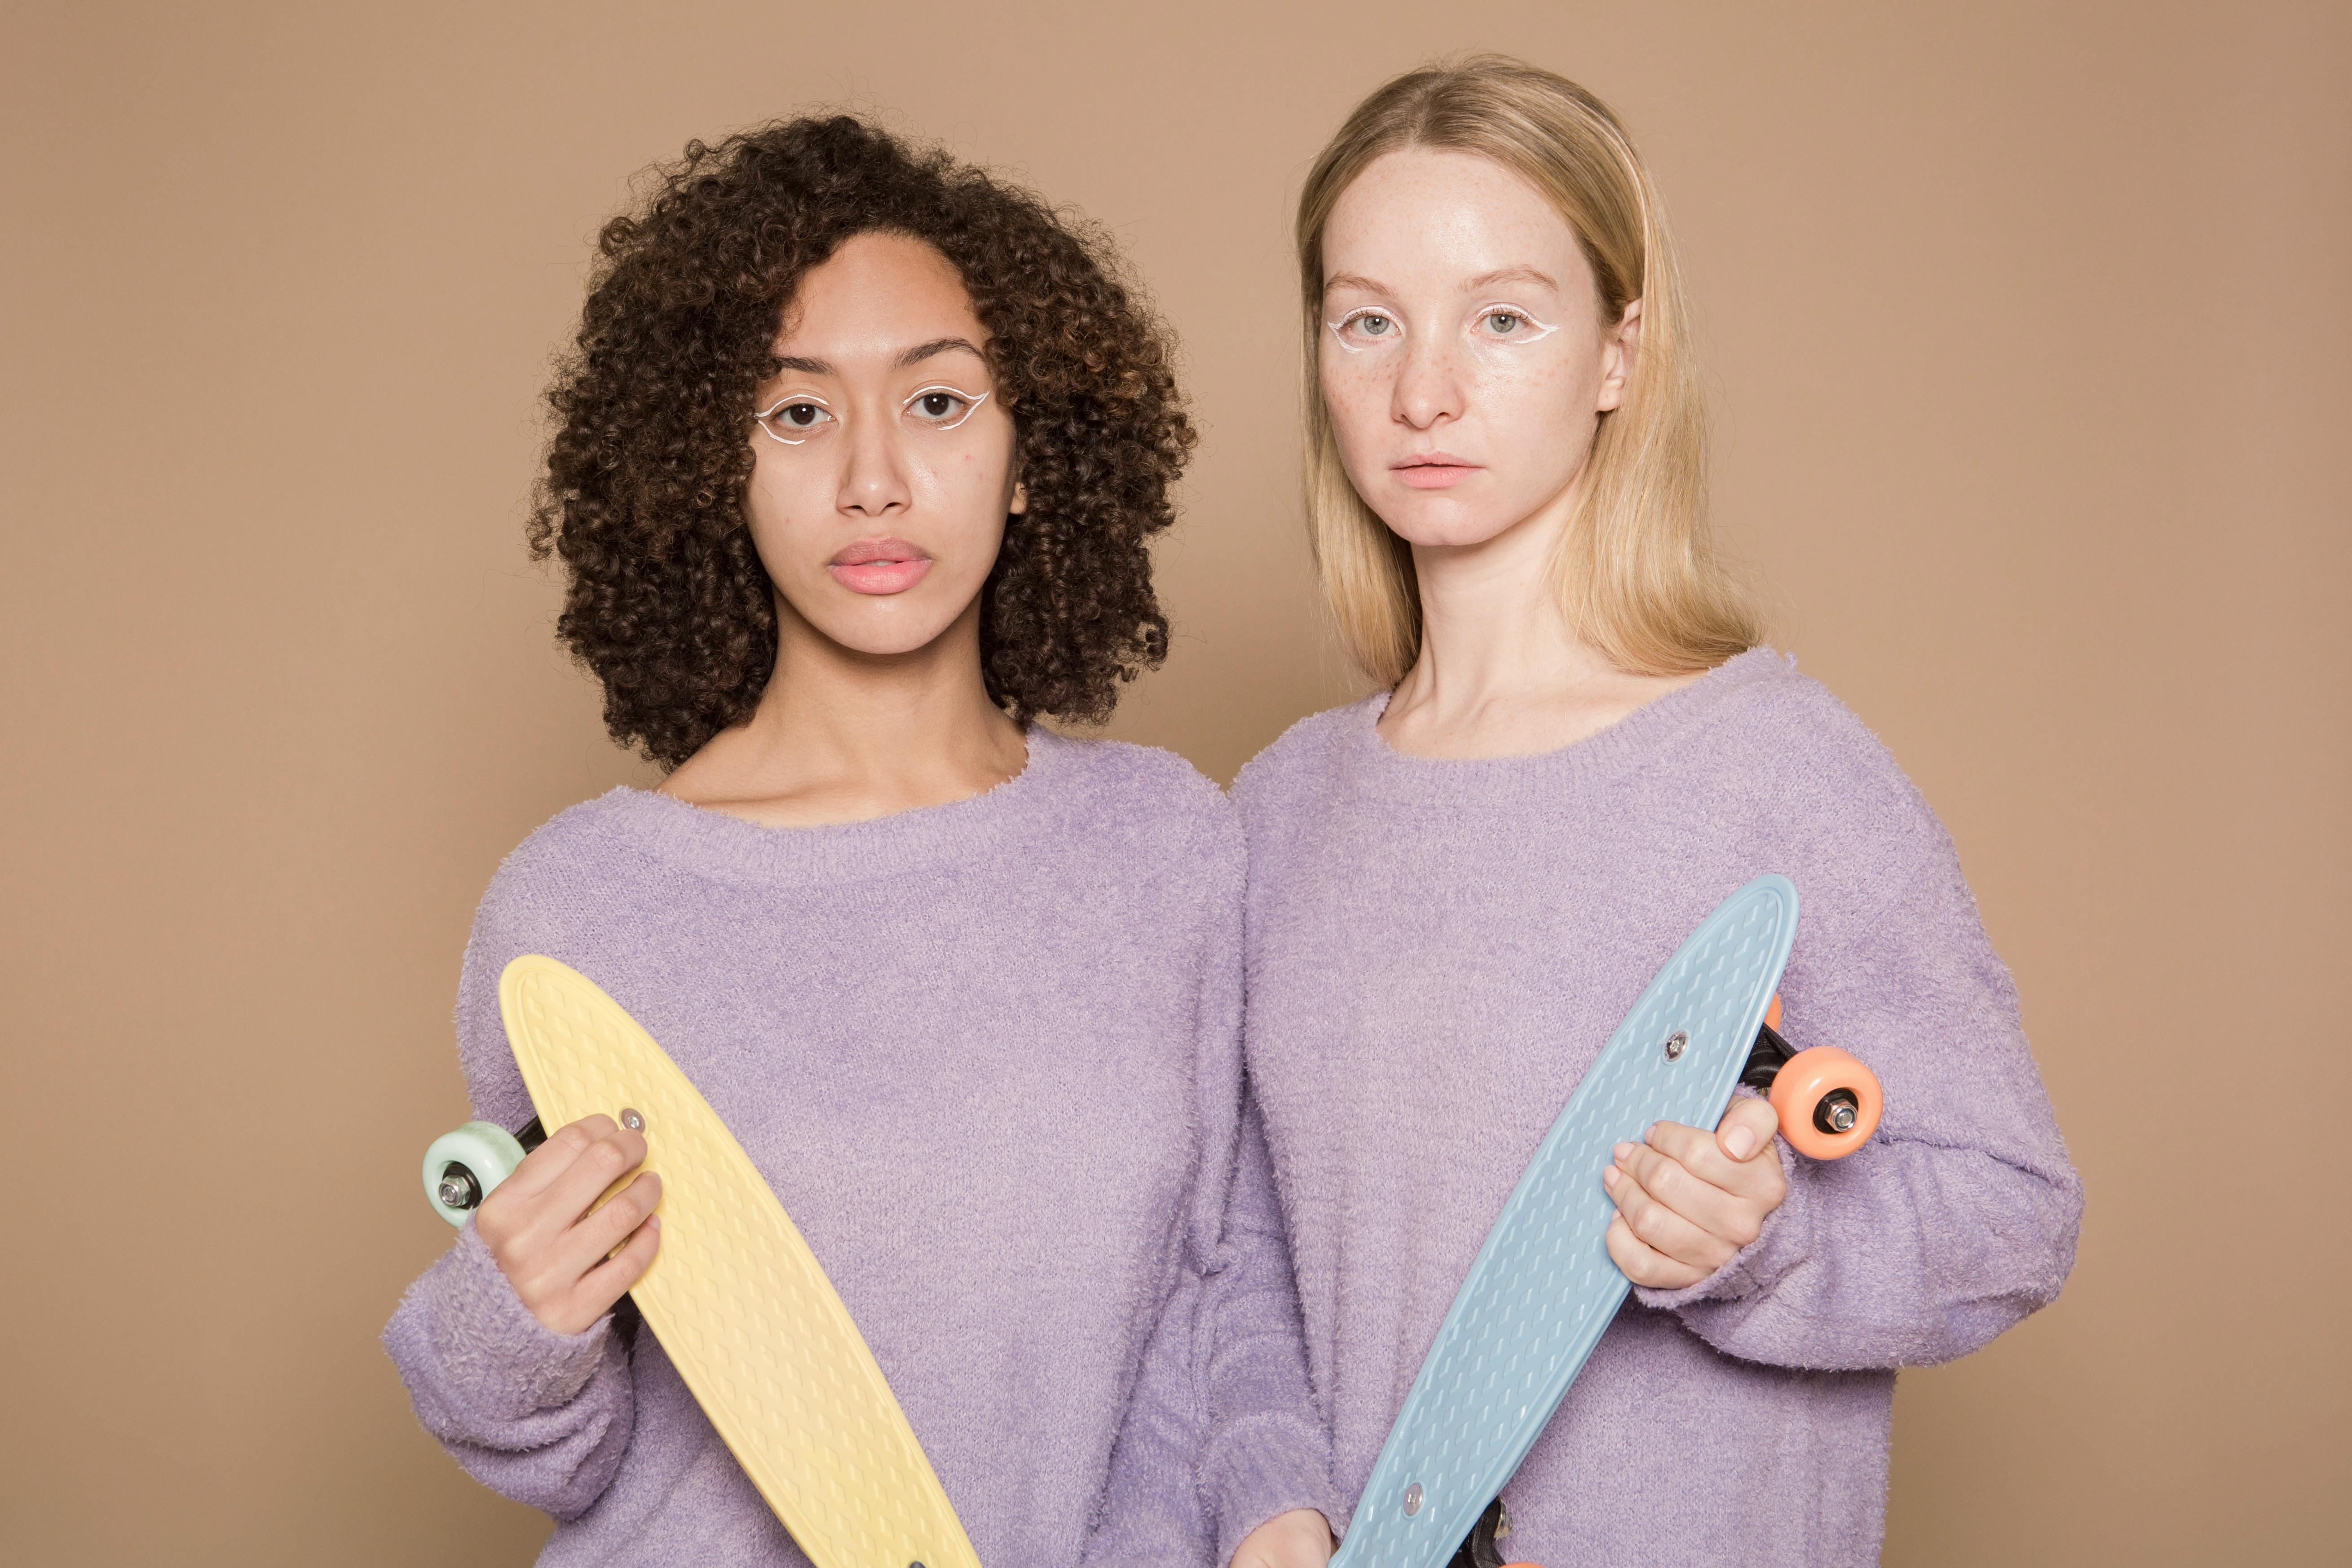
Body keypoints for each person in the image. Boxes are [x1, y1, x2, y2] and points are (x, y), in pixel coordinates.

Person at [384, 115, 1336, 1568]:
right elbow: (568, 1450)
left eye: (941, 404)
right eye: (799, 413)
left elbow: (1220, 1292)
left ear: (1036, 458)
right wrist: (506, 1313)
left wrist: (1285, 1519)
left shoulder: (1166, 846)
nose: (874, 481)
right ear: (716, 462)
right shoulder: (584, 904)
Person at [1229, 57, 2083, 1566]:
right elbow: (1233, 1262)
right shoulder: (1281, 805)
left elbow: (2012, 1210)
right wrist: (1266, 1507)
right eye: (1369, 320)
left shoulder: (1774, 766)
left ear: (1620, 351)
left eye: (1503, 317)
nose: (1423, 388)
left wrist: (1768, 1245)